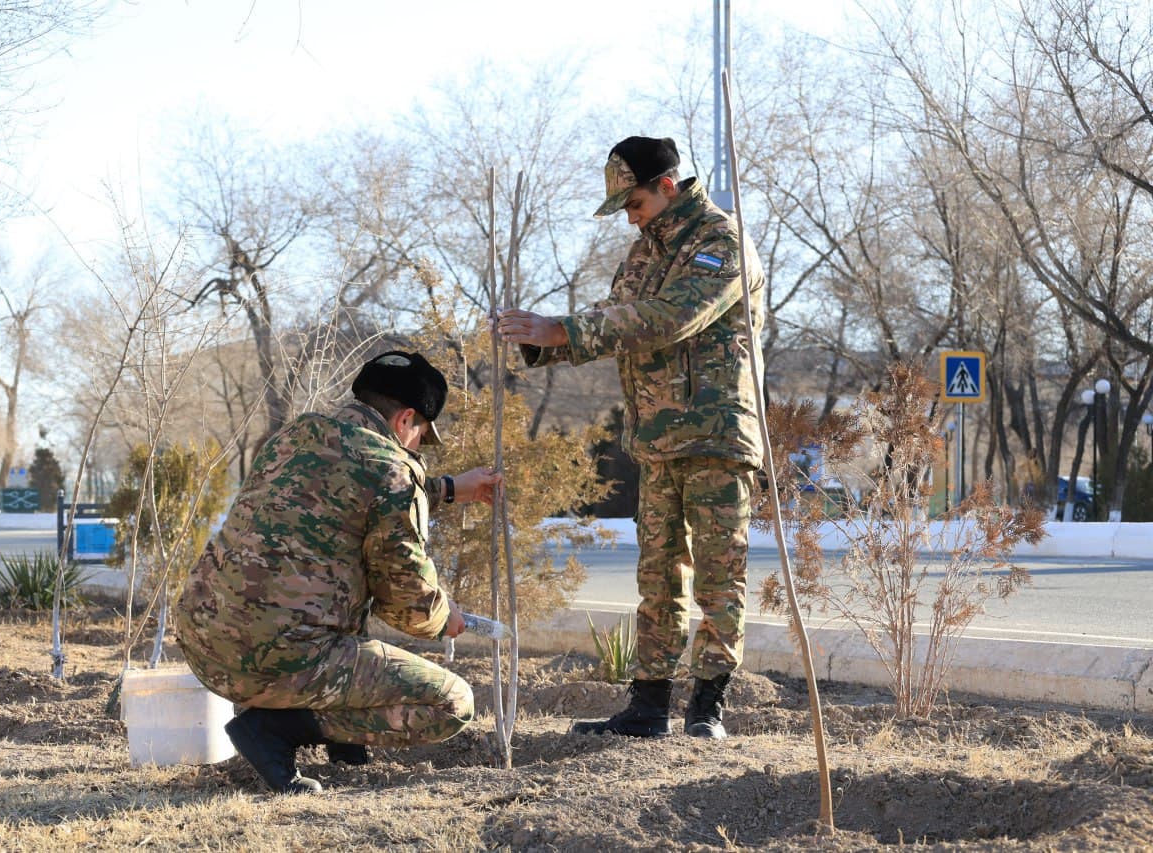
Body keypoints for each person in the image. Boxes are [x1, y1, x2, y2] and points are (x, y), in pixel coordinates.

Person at [497, 136, 766, 740]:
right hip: (657, 439)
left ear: (667, 187)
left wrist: (564, 328)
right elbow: (616, 316)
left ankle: (707, 709)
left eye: (634, 201)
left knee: (721, 576)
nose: (629, 215)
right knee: (658, 577)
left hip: (715, 434)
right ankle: (648, 707)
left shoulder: (720, 241)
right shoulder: (644, 251)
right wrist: (537, 338)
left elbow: (671, 319)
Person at [175, 350, 501, 794]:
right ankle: (273, 730)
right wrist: (446, 618)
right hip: (270, 662)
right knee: (452, 703)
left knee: (339, 582)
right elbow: (411, 607)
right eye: (422, 433)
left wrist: (444, 489)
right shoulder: (393, 471)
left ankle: (337, 741)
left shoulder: (297, 435)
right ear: (407, 420)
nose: (419, 447)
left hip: (204, 643)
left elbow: (344, 491)